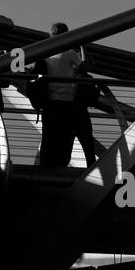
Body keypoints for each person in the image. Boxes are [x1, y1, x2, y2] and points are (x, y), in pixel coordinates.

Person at [34, 22, 98, 167]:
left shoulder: (44, 53)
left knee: (48, 139)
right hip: (67, 104)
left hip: (49, 104)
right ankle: (77, 169)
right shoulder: (69, 53)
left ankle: (45, 170)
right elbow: (84, 66)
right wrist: (81, 45)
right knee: (66, 142)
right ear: (67, 35)